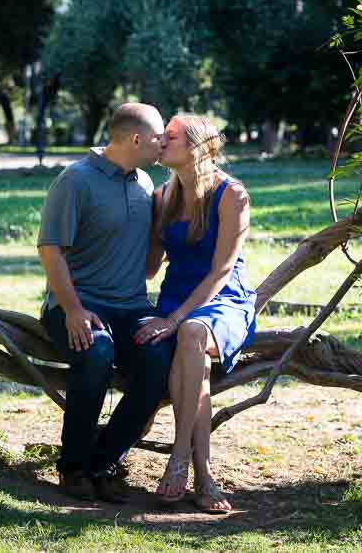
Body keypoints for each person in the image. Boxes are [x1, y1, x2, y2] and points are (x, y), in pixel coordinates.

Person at [37, 102, 172, 503]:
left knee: (159, 358)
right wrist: (75, 310)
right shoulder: (74, 180)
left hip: (131, 307)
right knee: (96, 354)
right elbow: (50, 251)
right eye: (157, 136)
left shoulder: (146, 184)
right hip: (74, 305)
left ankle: (104, 462)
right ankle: (74, 467)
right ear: (135, 139)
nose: (163, 142)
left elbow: (148, 269)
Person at [135, 114, 256, 514]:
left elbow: (222, 271)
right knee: (193, 359)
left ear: (196, 147)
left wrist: (173, 320)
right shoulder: (161, 197)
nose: (159, 140)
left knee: (191, 333)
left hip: (223, 299)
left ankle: (179, 457)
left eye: (169, 136)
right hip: (175, 298)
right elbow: (150, 267)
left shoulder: (231, 194)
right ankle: (204, 477)